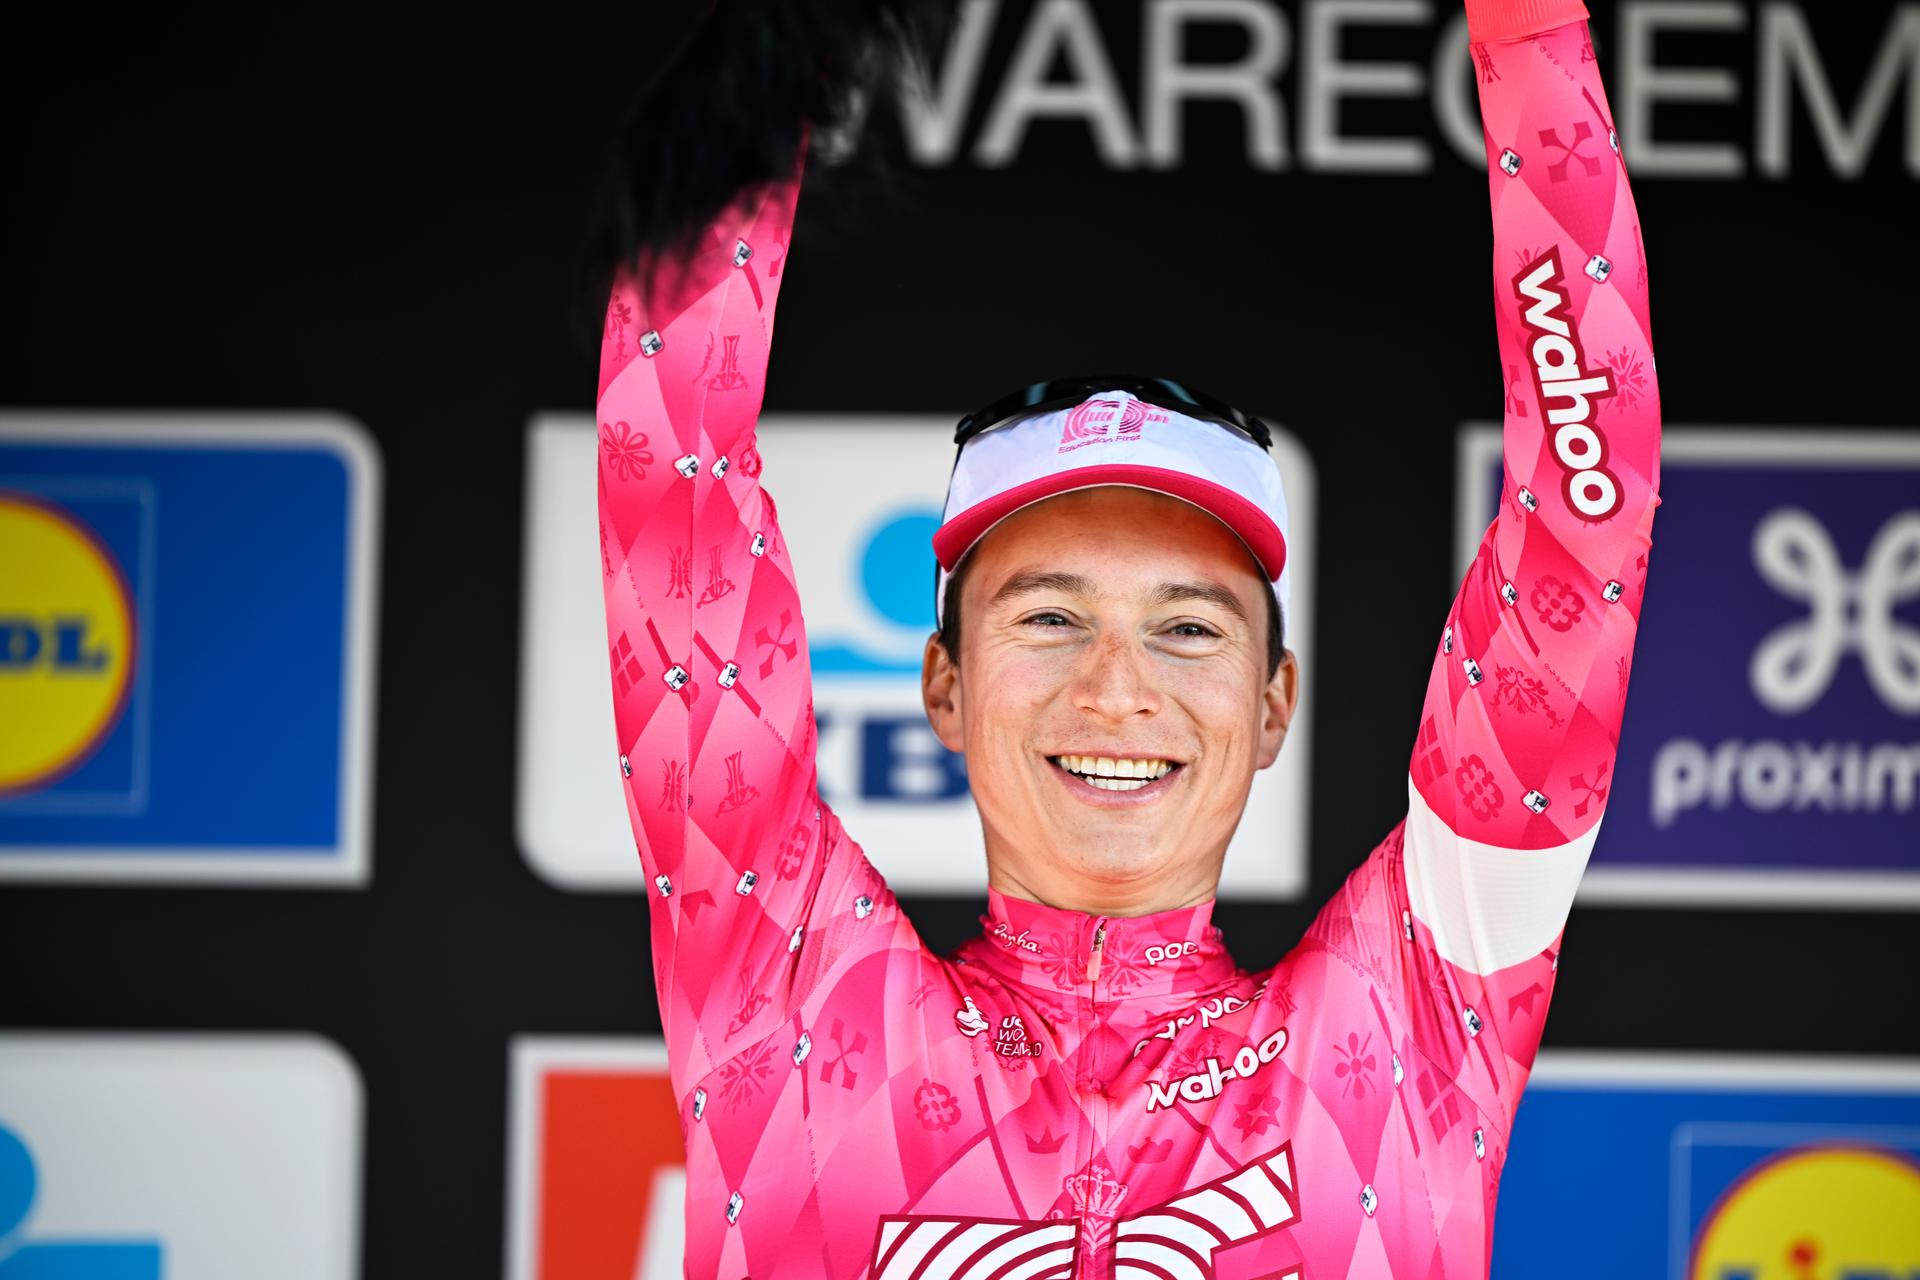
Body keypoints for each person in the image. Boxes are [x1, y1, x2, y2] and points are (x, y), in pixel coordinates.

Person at [592, 0, 1659, 1273]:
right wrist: (772, 47)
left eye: (1188, 627)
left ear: (1275, 702)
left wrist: (1531, 28)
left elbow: (1582, 525)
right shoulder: (790, 994)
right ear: (944, 684)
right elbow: (674, 480)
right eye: (1050, 616)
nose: (1115, 688)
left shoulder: (1411, 1019)